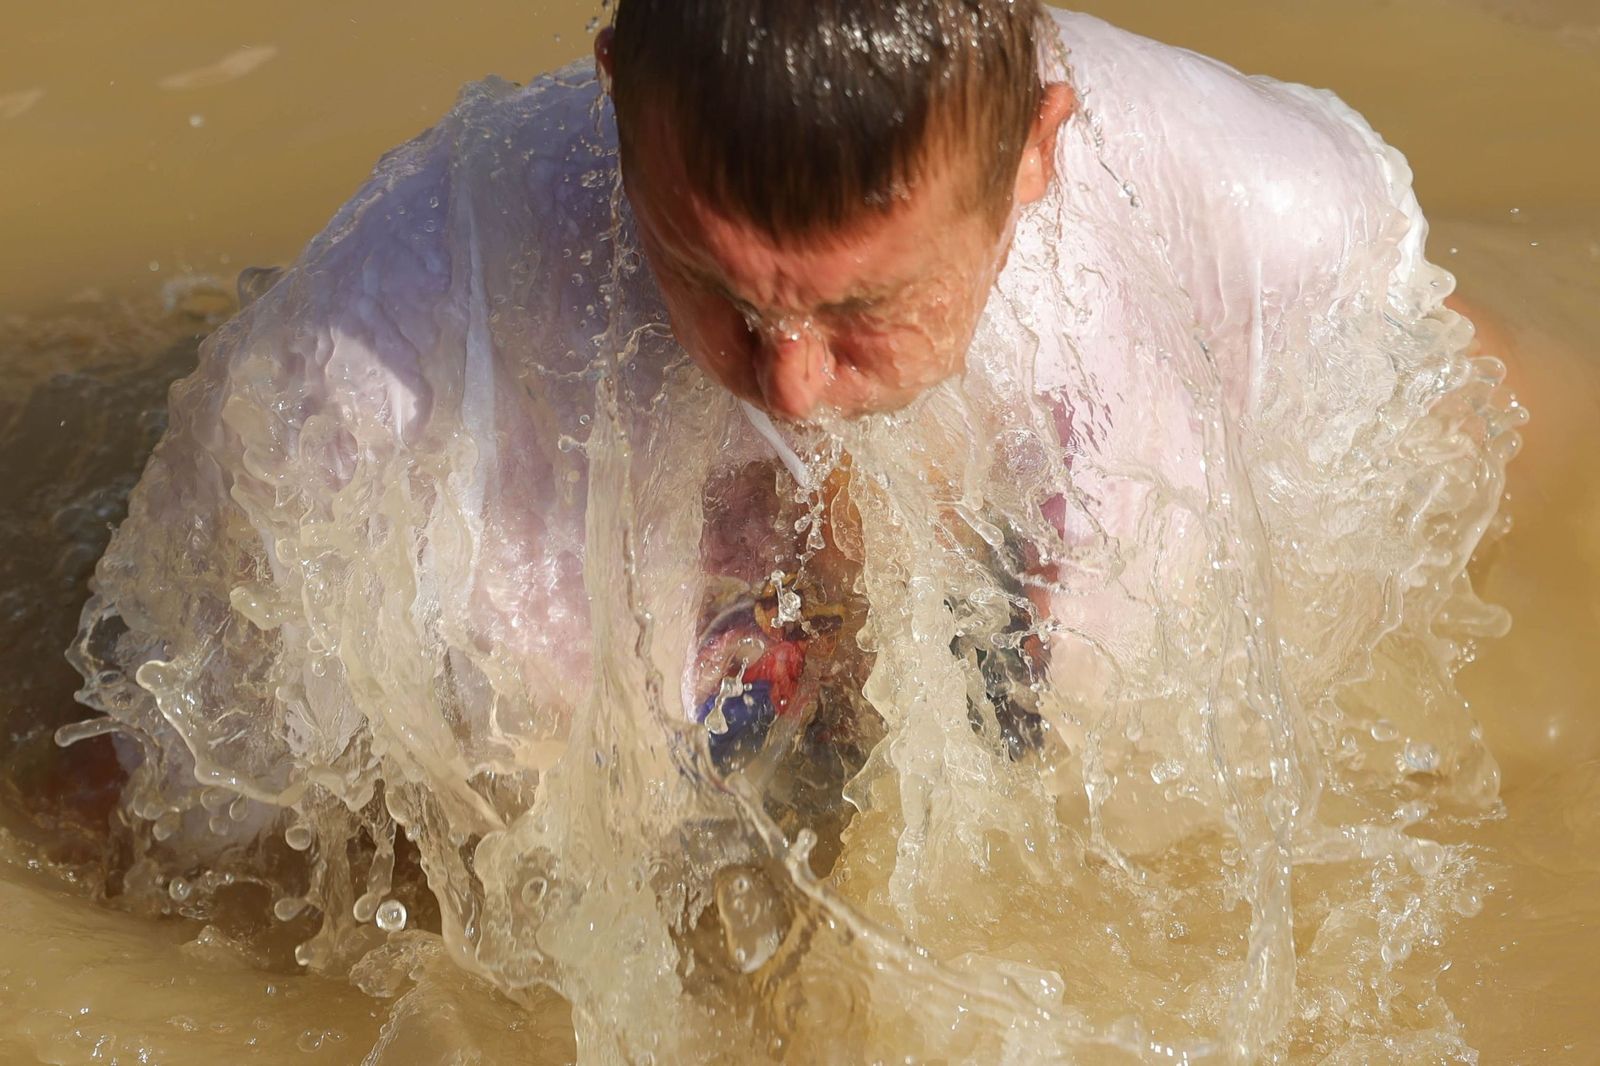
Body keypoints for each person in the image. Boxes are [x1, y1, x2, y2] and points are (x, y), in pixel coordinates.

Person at [69, 4, 1514, 1042]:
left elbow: (1474, 431)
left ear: (1036, 153)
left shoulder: (1251, 217)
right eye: (715, 285)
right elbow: (136, 823)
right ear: (615, 96)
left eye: (867, 307)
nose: (792, 382)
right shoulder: (370, 387)